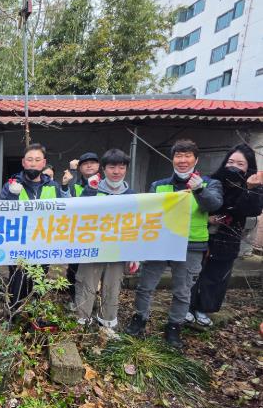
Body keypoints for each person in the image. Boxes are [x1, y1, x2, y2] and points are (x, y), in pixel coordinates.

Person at [125, 139, 223, 349]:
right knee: (145, 285)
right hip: (160, 242)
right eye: (179, 156)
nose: (183, 160)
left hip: (191, 245)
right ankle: (139, 319)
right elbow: (148, 212)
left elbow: (214, 205)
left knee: (182, 291)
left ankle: (174, 327)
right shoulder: (159, 185)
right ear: (172, 159)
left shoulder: (209, 184)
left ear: (196, 160)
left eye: (187, 156)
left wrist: (199, 190)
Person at [188, 144, 263, 328]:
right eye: (230, 161)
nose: (233, 166)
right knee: (194, 272)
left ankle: (203, 308)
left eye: (240, 163)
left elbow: (250, 210)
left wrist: (251, 188)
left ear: (249, 167)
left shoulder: (253, 186)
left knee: (216, 275)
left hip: (228, 238)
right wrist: (208, 218)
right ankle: (187, 307)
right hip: (203, 234)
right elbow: (201, 203)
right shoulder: (213, 181)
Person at [74, 149, 137, 333]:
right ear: (103, 168)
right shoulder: (92, 189)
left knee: (113, 286)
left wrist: (135, 254)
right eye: (112, 167)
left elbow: (136, 225)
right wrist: (90, 191)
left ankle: (107, 324)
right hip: (92, 247)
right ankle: (81, 322)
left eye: (121, 167)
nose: (116, 171)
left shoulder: (132, 194)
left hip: (117, 249)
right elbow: (77, 213)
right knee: (86, 284)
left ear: (126, 169)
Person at [0, 143, 69, 305]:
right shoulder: (11, 185)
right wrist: (12, 195)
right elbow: (2, 214)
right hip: (18, 245)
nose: (33, 163)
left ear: (43, 163)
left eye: (37, 160)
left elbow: (63, 213)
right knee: (17, 284)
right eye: (29, 159)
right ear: (23, 162)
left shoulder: (53, 187)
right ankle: (14, 314)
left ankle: (33, 314)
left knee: (38, 282)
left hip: (42, 245)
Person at [62, 152, 101, 300]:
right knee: (74, 270)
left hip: (101, 236)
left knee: (97, 271)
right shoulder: (75, 186)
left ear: (99, 166)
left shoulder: (107, 186)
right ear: (80, 168)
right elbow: (68, 204)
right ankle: (74, 299)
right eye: (85, 163)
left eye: (93, 162)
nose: (89, 165)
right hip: (77, 236)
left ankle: (94, 301)